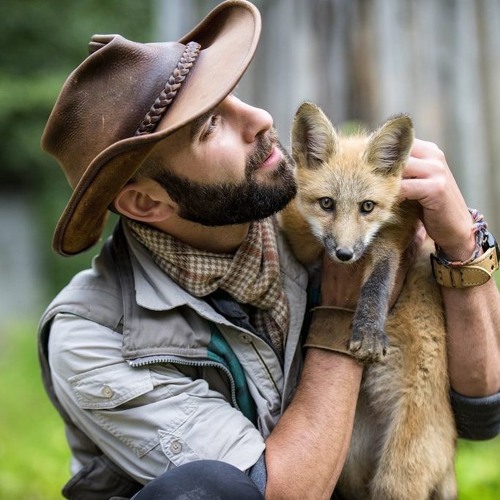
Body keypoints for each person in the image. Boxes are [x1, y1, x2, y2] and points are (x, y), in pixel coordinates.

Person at [38, 1, 500, 498]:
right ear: (146, 201)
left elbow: (481, 411)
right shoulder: (92, 340)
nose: (259, 118)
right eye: (210, 125)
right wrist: (340, 315)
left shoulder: (312, 223)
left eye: (236, 96)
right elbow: (277, 491)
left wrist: (460, 246)